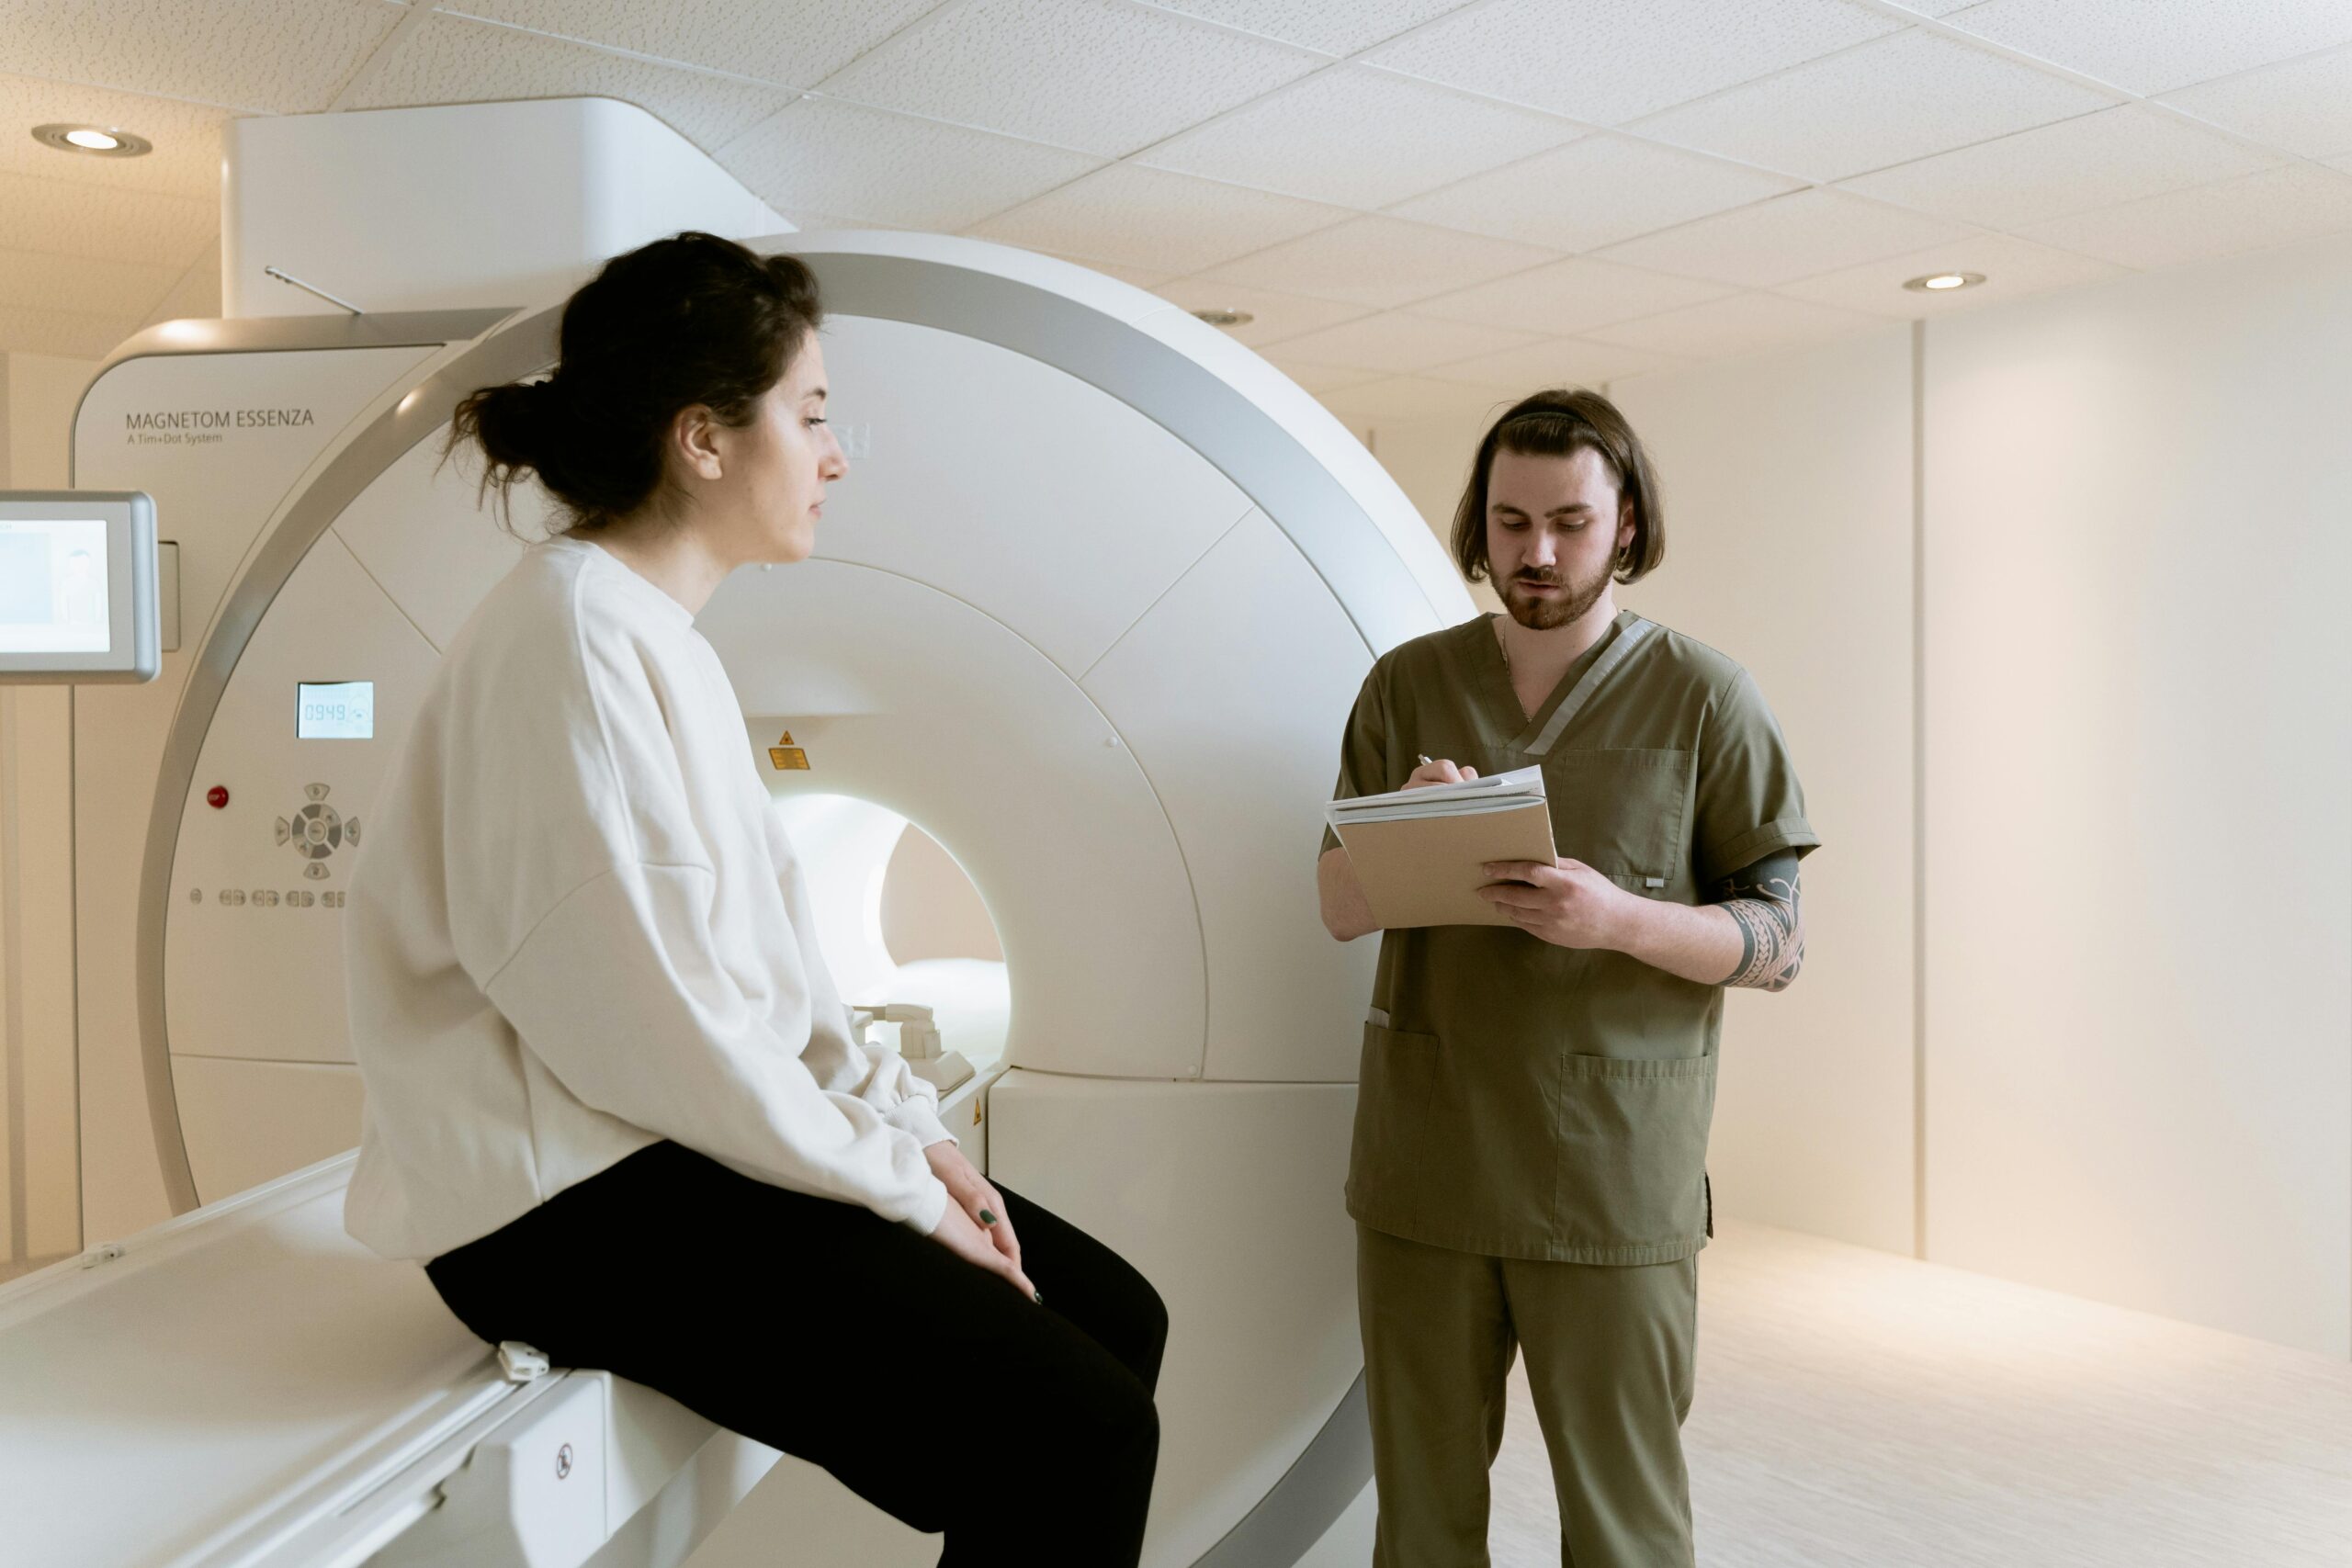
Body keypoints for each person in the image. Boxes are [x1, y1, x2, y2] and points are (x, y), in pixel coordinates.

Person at [342, 232, 1167, 1567]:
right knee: (1079, 1425)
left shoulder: (659, 636)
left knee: (1117, 1314)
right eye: (814, 413)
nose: (838, 456)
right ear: (703, 440)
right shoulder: (572, 638)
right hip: (554, 1196)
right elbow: (659, 1030)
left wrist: (920, 1141)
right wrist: (897, 1191)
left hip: (641, 1137)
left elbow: (777, 979)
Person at [1317, 388, 1817, 1567]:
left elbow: (1783, 944)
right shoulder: (1405, 687)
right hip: (1425, 1176)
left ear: (1627, 525)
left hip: (1610, 1182)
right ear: (1477, 526)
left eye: (1570, 522)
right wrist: (1407, 824)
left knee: (1624, 1529)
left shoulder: (1706, 698)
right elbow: (1336, 908)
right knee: (1420, 1524)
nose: (1535, 553)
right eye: (1509, 522)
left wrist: (1621, 920)